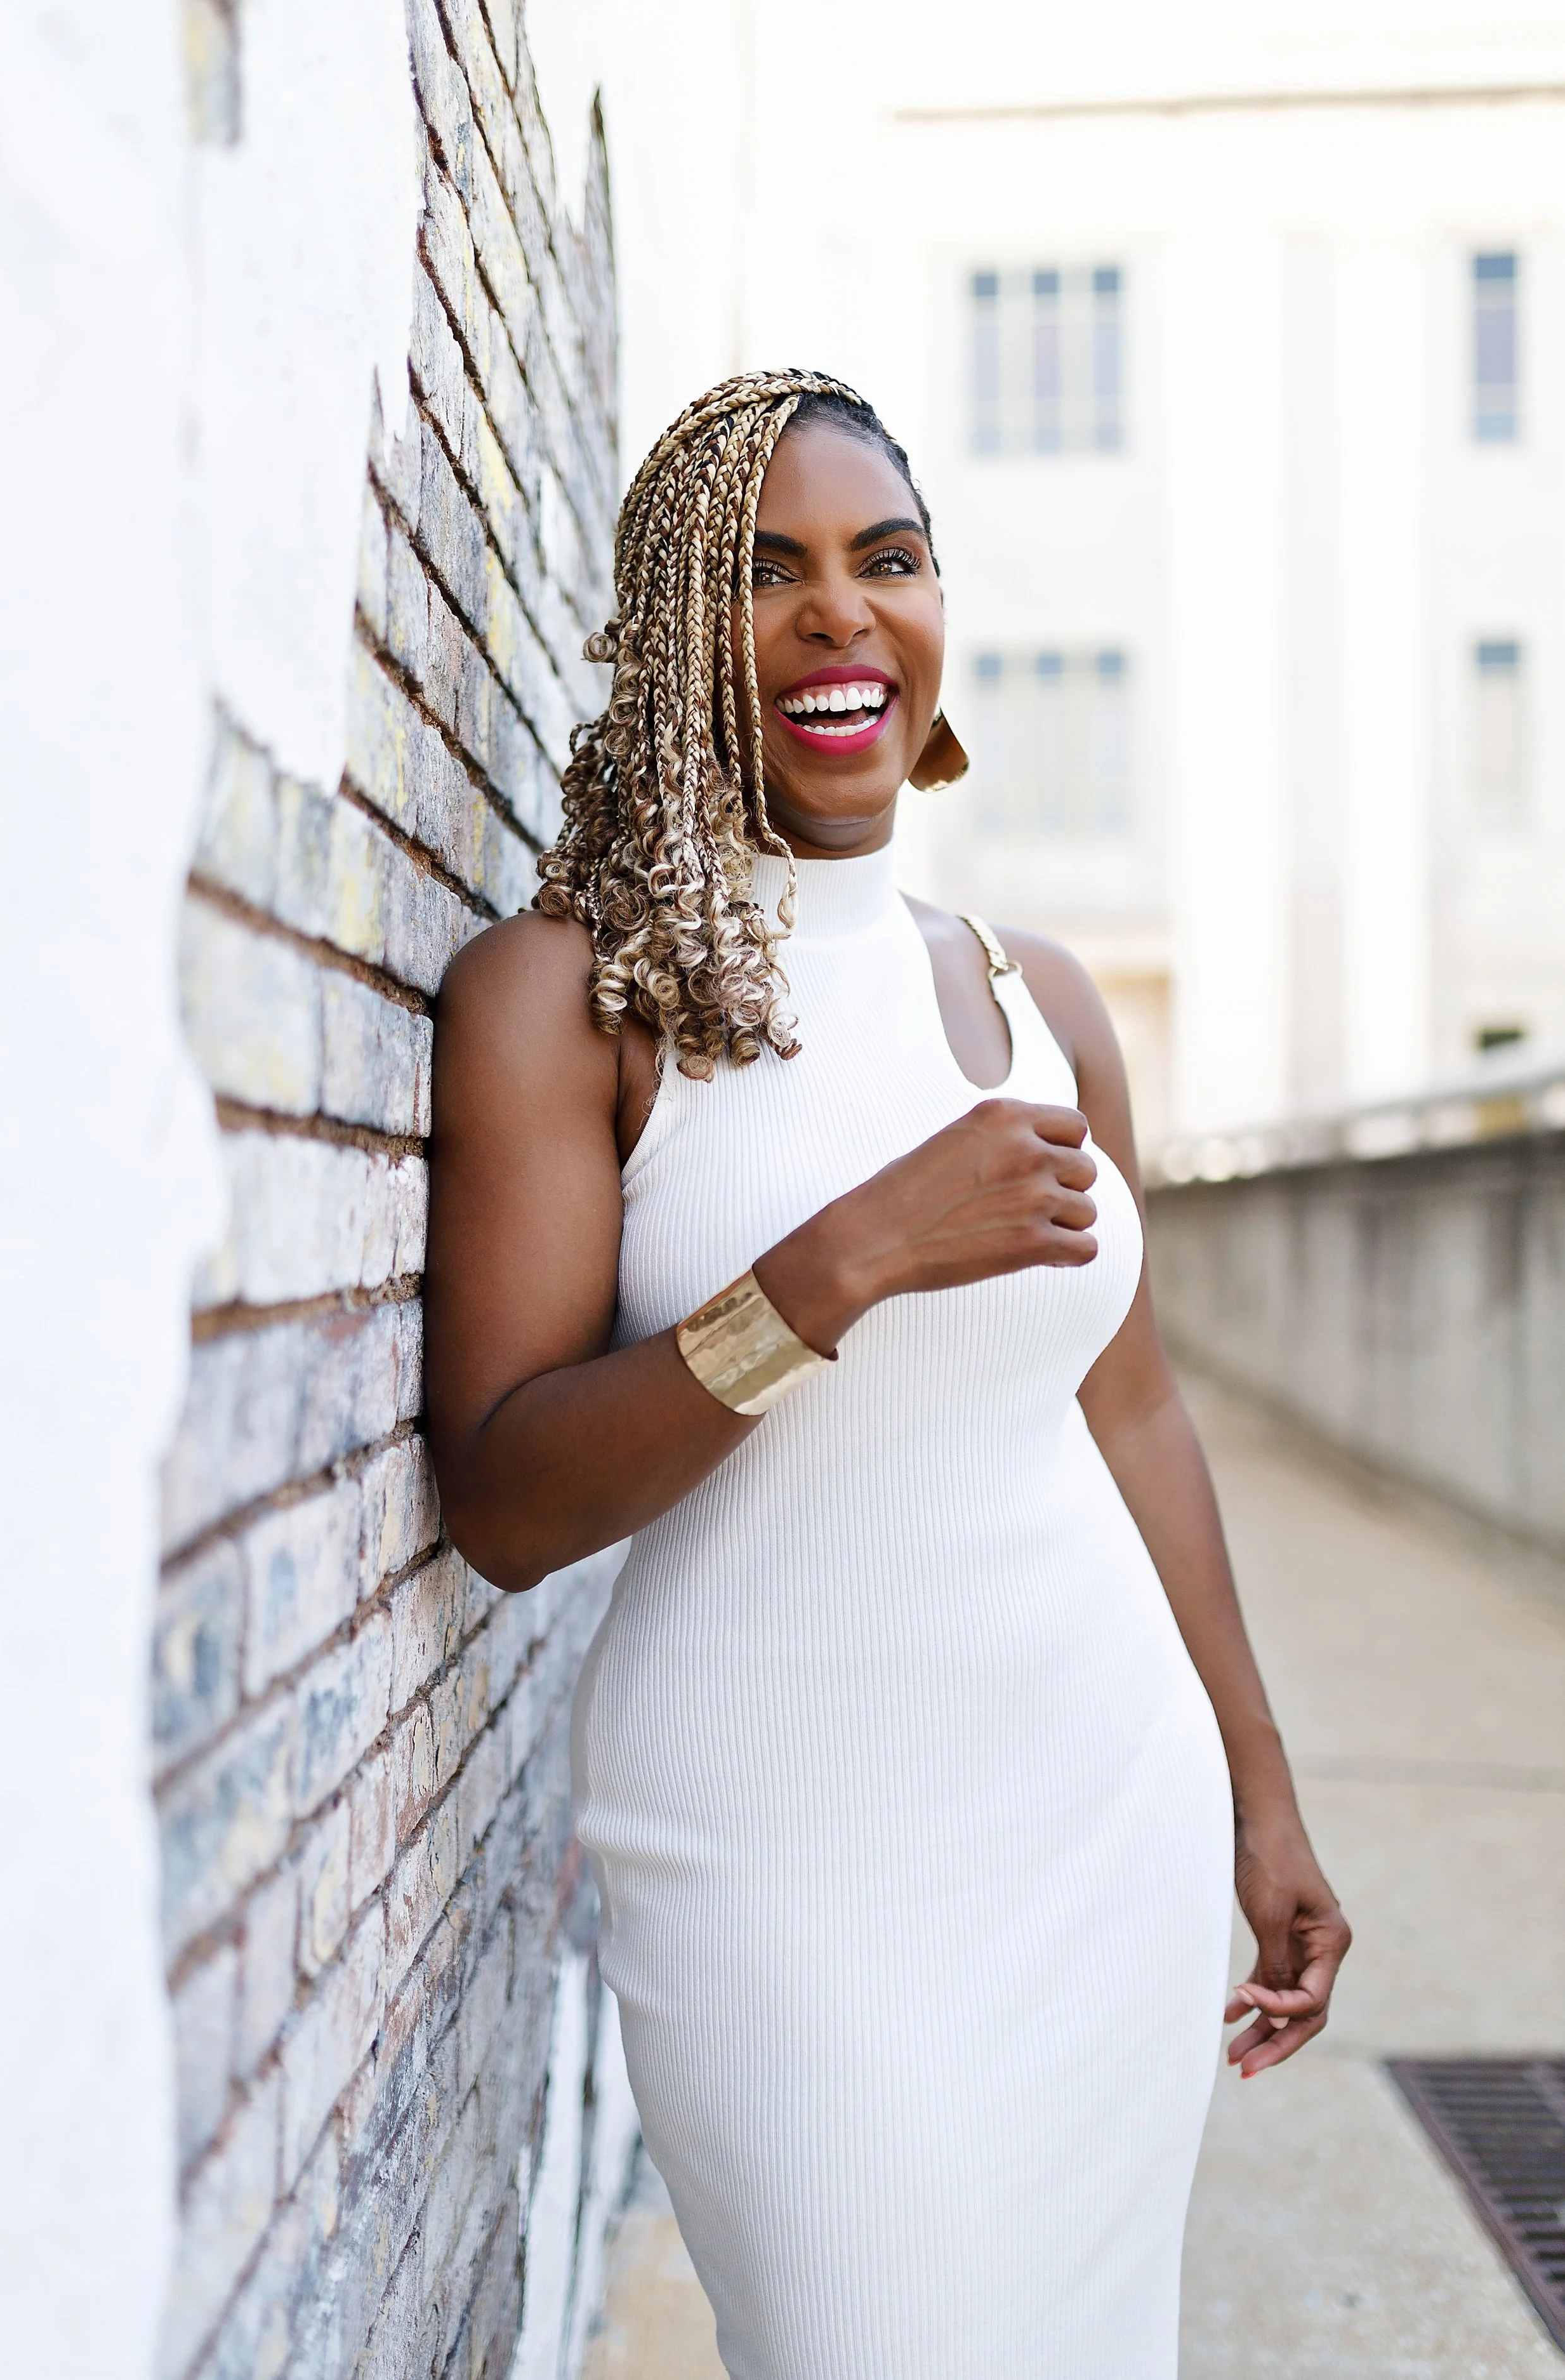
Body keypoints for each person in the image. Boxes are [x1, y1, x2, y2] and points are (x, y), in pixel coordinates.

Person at [424, 368, 1350, 2380]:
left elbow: (1129, 1409)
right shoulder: (565, 997)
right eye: (766, 575)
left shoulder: (1040, 1001)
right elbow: (503, 1501)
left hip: (1094, 1815)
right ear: (677, 638)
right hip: (775, 1851)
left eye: (889, 560)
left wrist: (1258, 1801)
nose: (841, 612)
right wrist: (840, 1261)